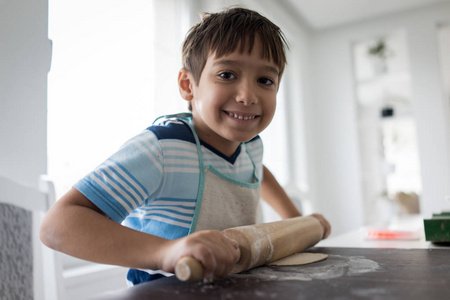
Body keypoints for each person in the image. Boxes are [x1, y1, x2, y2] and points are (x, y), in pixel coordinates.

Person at [40, 6, 331, 285]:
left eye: (265, 80)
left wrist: (295, 221)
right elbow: (58, 225)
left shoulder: (251, 146)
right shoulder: (162, 148)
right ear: (188, 85)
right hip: (164, 291)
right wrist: (167, 253)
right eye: (227, 75)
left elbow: (257, 170)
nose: (247, 95)